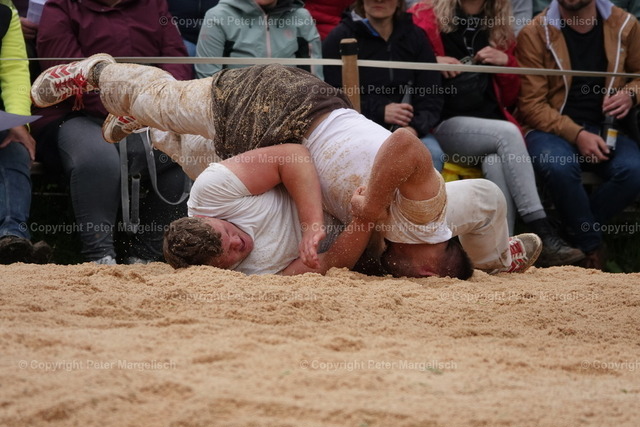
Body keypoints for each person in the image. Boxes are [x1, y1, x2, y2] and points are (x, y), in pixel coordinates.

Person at [31, 56, 543, 277]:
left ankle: (495, 260)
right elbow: (407, 142)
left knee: (486, 198)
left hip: (283, 156)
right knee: (166, 101)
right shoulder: (422, 214)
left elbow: (329, 264)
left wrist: (362, 219)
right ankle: (98, 71)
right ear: (431, 260)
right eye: (428, 275)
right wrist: (366, 208)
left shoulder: (402, 237)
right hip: (283, 106)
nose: (420, 278)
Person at [409, 0, 585, 267]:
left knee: (497, 162)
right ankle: (542, 228)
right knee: (508, 133)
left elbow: (512, 97)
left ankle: (502, 254)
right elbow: (402, 61)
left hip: (490, 128)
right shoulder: (425, 13)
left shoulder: (499, 23)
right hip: (443, 123)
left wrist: (506, 65)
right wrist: (430, 62)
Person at [31, 0, 193, 265]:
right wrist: (135, 108)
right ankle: (100, 256)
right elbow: (68, 73)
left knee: (184, 154)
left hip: (147, 112)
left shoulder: (153, 4)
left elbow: (176, 60)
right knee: (98, 157)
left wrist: (156, 106)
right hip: (76, 114)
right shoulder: (61, 6)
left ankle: (146, 256)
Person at [516, 0, 640, 269]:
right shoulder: (535, 32)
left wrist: (631, 94)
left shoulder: (626, 25)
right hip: (550, 128)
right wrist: (578, 134)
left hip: (607, 126)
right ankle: (592, 249)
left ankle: (570, 233)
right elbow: (531, 106)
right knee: (559, 166)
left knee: (634, 171)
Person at [323, 0, 447, 171]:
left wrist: (414, 128)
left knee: (432, 155)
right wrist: (379, 110)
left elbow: (432, 95)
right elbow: (332, 98)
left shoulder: (416, 36)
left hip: (409, 128)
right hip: (357, 130)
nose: (379, 0)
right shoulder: (340, 37)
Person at [0, 0, 51, 264]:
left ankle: (12, 238)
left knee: (16, 146)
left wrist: (17, 121)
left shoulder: (6, 10)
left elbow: (14, 70)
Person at [195, 0, 323, 80]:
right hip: (234, 104)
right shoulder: (218, 17)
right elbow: (207, 80)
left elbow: (315, 80)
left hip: (290, 104)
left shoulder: (301, 17)